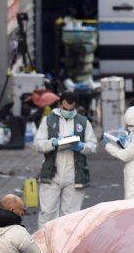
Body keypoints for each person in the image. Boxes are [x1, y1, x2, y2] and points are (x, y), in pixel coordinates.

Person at [33, 91, 98, 228]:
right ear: (59, 105)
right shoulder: (48, 120)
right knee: (47, 213)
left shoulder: (83, 122)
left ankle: (66, 246)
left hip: (75, 174)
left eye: (71, 109)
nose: (68, 112)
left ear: (76, 107)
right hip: (52, 172)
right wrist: (53, 143)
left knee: (71, 216)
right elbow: (38, 144)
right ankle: (43, 245)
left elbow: (93, 146)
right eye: (65, 109)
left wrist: (81, 147)